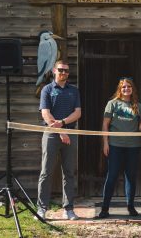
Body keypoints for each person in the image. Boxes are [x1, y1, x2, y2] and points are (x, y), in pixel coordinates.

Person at [36, 60, 81, 221]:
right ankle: (42, 209)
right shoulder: (47, 90)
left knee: (69, 172)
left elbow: (77, 113)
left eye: (67, 71)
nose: (64, 73)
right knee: (46, 172)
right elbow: (46, 114)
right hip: (51, 134)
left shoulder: (74, 90)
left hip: (70, 133)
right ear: (54, 71)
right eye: (61, 70)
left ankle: (68, 209)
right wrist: (61, 131)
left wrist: (62, 124)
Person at [98, 77, 141, 218]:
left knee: (131, 177)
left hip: (133, 146)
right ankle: (105, 208)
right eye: (123, 87)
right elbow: (105, 124)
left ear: (132, 89)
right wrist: (105, 143)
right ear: (120, 89)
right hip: (115, 145)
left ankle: (130, 206)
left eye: (129, 87)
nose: (126, 89)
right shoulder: (112, 104)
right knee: (111, 176)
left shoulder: (138, 106)